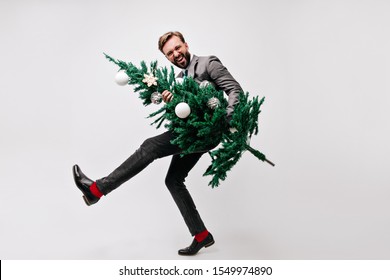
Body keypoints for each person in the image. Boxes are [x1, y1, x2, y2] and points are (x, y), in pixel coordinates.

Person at [73, 31, 242, 255]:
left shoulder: (208, 63)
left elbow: (234, 89)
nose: (176, 54)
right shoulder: (180, 78)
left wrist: (227, 119)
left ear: (186, 44)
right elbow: (185, 110)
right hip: (191, 131)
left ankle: (96, 189)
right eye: (170, 53)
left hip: (206, 132)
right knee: (173, 180)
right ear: (167, 57)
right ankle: (202, 236)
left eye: (177, 48)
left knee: (150, 146)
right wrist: (171, 100)